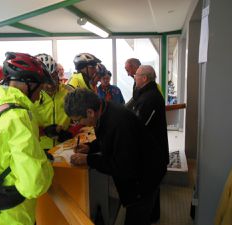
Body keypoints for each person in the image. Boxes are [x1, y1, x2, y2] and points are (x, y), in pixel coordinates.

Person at [0, 52, 54, 225]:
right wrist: (47, 166)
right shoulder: (18, 116)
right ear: (29, 84)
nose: (38, 97)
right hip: (8, 217)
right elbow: (34, 185)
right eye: (40, 89)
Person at [64, 88, 166, 225]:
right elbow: (108, 138)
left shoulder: (119, 123)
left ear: (90, 112)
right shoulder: (104, 109)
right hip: (143, 168)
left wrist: (88, 160)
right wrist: (90, 147)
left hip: (143, 179)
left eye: (77, 120)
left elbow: (122, 166)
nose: (77, 125)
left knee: (137, 216)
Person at [126, 65, 169, 223]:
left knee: (146, 193)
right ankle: (153, 217)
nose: (134, 77)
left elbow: (139, 126)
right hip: (153, 155)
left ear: (144, 78)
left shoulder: (150, 98)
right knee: (152, 190)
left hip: (153, 156)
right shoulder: (144, 94)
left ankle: (149, 217)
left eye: (136, 75)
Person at [34, 53, 74, 150]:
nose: (50, 85)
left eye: (54, 78)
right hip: (41, 150)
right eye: (45, 81)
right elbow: (24, 128)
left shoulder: (69, 92)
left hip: (65, 147)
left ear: (57, 73)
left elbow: (81, 119)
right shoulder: (32, 97)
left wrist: (71, 132)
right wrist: (44, 131)